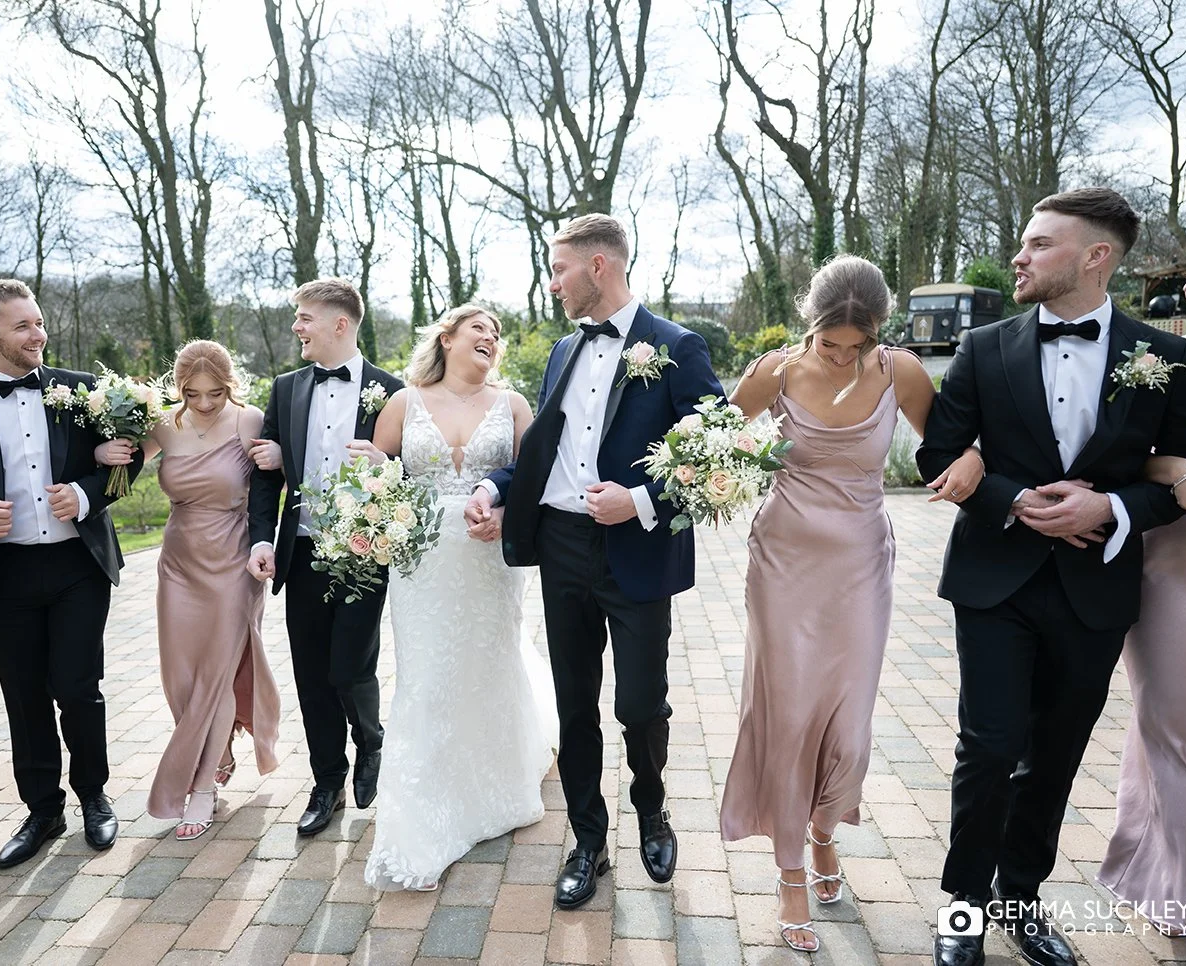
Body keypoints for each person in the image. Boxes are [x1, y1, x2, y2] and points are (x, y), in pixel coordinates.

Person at [917, 188, 1186, 966]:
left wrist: (1111, 508)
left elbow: (1184, 478)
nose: (1019, 256)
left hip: (1097, 587)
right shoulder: (984, 349)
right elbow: (937, 456)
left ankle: (1022, 900)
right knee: (988, 747)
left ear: (1095, 258)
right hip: (995, 580)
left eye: (1040, 244)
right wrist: (1011, 498)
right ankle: (962, 914)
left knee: (1053, 753)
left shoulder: (1166, 357)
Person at [720, 256, 985, 952]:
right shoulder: (773, 372)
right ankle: (788, 873)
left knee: (849, 720)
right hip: (781, 564)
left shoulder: (900, 372)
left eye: (855, 346)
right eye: (829, 345)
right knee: (786, 711)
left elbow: (946, 450)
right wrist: (712, 473)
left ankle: (824, 830)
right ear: (809, 326)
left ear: (877, 333)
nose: (841, 357)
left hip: (862, 564)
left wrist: (975, 460)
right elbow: (710, 442)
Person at [463, 214, 724, 909]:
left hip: (638, 549)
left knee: (641, 705)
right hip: (562, 547)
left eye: (559, 270)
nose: (552, 284)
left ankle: (653, 808)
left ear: (599, 267)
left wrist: (641, 499)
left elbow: (719, 452)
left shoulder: (678, 346)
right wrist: (494, 488)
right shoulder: (560, 353)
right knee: (576, 703)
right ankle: (587, 841)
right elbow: (543, 454)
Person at [338, 304, 558, 891]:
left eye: (497, 332)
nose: (491, 337)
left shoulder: (512, 406)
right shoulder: (404, 403)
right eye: (479, 329)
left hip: (490, 559)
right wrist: (366, 482)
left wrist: (507, 513)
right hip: (423, 564)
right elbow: (372, 476)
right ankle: (423, 808)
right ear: (448, 338)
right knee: (428, 676)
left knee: (490, 664)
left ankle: (495, 782)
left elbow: (534, 481)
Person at [0, 279, 141, 870]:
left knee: (77, 687)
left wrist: (86, 492)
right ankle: (42, 811)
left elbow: (131, 458)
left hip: (78, 565)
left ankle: (94, 796)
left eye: (39, 322)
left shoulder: (84, 391)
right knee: (23, 696)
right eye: (22, 326)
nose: (38, 334)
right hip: (9, 574)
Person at [1098, 229, 1186, 960]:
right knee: (1182, 741)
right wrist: (1177, 469)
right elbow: (1122, 455)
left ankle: (1182, 882)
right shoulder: (1172, 362)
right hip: (1176, 574)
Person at [95, 340, 282, 840]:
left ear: (230, 386)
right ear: (178, 389)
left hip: (232, 561)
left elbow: (278, 478)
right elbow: (119, 471)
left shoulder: (249, 421)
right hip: (178, 561)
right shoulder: (161, 424)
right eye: (192, 394)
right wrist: (100, 451)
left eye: (215, 394)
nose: (203, 404)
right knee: (181, 675)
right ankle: (217, 752)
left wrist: (282, 458)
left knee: (215, 674)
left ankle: (201, 788)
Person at [245, 278, 404, 836]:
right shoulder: (285, 388)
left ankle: (371, 739)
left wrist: (387, 466)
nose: (297, 328)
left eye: (305, 318)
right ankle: (326, 782)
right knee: (312, 676)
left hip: (365, 552)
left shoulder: (393, 391)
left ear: (341, 324)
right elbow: (263, 478)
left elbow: (411, 473)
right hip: (303, 549)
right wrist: (262, 538)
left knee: (349, 666)